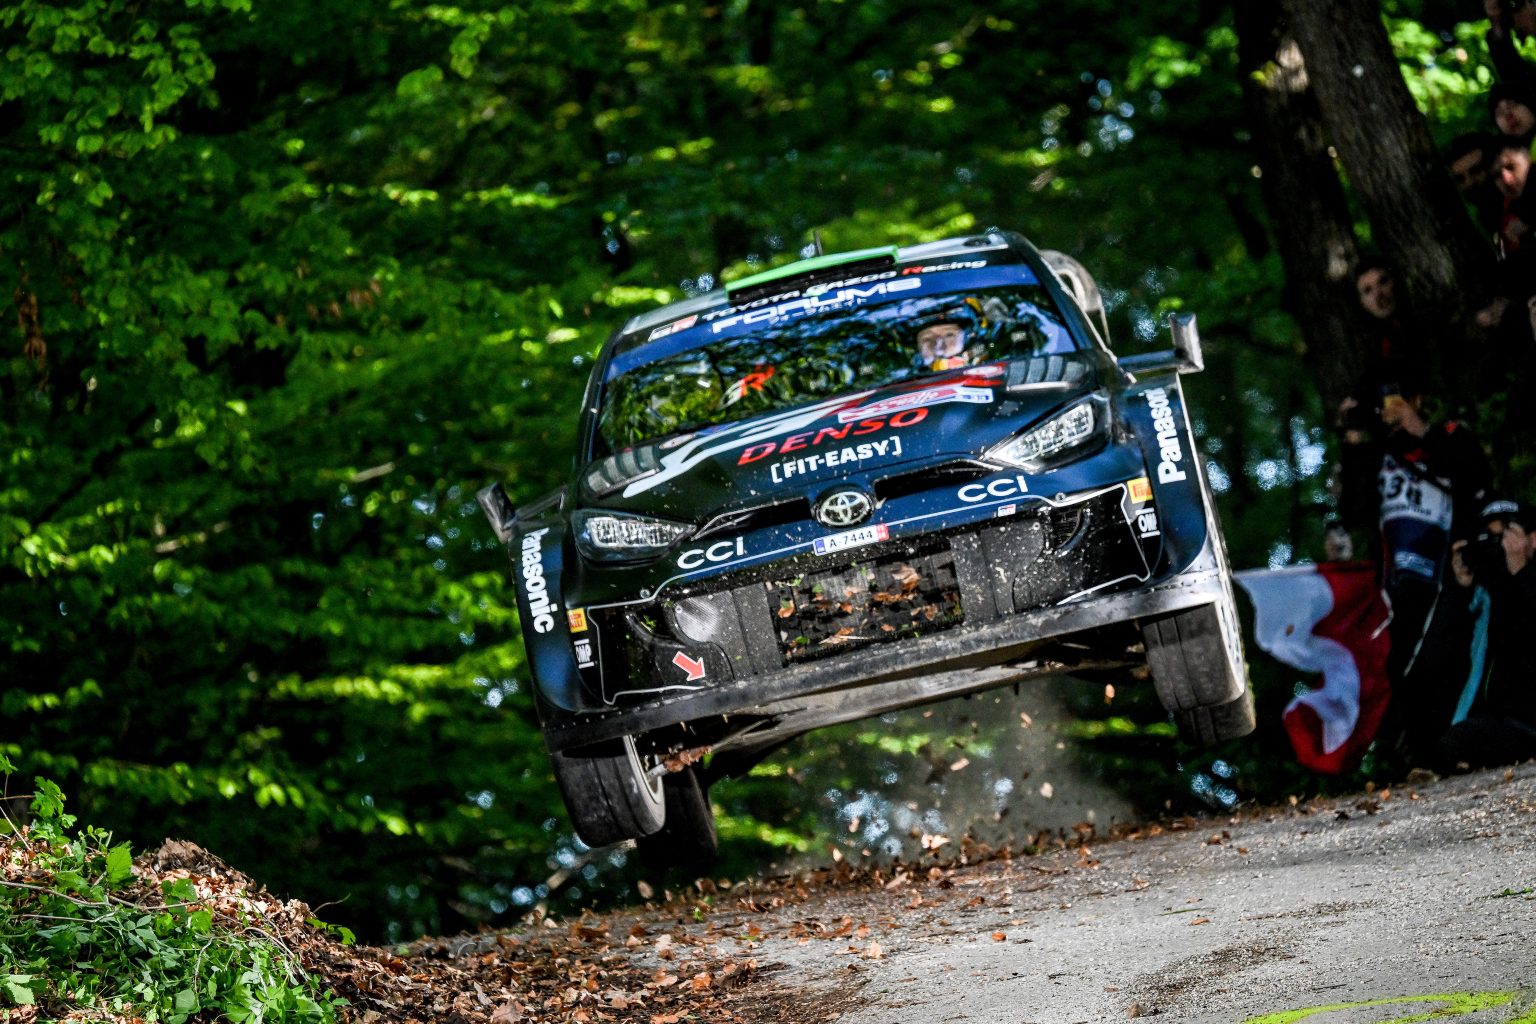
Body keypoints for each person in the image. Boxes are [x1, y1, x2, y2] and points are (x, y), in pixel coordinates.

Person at [1336, 384, 1493, 767]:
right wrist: (1353, 439)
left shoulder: (1449, 437)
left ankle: (1446, 749)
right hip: (1395, 584)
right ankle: (1406, 759)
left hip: (1446, 576)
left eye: (1397, 401)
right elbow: (1354, 510)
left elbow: (1477, 481)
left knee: (1445, 658)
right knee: (1397, 665)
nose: (1389, 411)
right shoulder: (1377, 454)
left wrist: (1420, 430)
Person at [1435, 499, 1536, 771]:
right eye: (1489, 538)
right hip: (1495, 724)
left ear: (1532, 539)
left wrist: (1522, 572)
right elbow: (1442, 657)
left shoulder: (1525, 582)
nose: (1497, 546)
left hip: (1527, 722)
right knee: (1452, 743)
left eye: (1505, 536)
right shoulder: (1483, 595)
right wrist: (1459, 590)